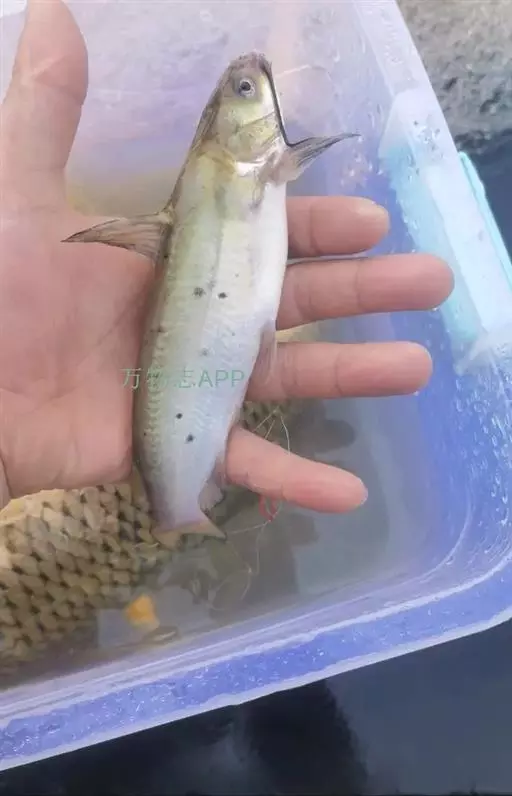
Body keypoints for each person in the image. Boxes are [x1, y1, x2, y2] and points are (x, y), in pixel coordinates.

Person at [0, 0, 453, 514]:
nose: (252, 80)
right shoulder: (264, 165)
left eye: (244, 89)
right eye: (246, 90)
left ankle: (179, 508)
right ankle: (180, 508)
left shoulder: (252, 165)